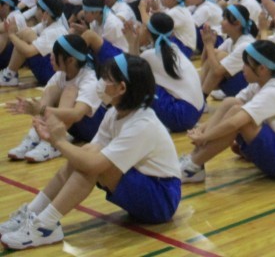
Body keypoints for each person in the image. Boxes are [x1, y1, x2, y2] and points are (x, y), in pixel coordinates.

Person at [0, 54, 182, 250]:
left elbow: (93, 165)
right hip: (143, 184)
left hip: (162, 198)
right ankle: (33, 213)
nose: (101, 82)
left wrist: (58, 141)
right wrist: (56, 138)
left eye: (107, 78)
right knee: (86, 154)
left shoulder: (143, 124)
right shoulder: (114, 113)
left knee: (92, 166)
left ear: (121, 88)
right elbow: (88, 153)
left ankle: (45, 226)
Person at [180, 40, 275, 183]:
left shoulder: (274, 91)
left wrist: (204, 137)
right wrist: (202, 129)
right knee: (231, 103)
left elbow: (233, 123)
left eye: (246, 64)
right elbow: (230, 106)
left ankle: (192, 167)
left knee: (239, 116)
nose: (242, 68)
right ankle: (194, 160)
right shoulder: (260, 83)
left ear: (262, 69)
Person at [6, 34, 106, 163]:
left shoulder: (89, 78)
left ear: (70, 60)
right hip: (76, 127)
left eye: (55, 54)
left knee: (70, 90)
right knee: (52, 90)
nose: (51, 57)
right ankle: (35, 136)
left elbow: (77, 114)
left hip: (93, 127)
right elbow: (45, 103)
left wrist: (41, 110)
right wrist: (35, 110)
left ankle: (53, 143)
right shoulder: (61, 74)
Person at [126, 13, 204, 132]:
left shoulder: (150, 55)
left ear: (147, 31)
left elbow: (131, 71)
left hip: (182, 115)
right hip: (196, 112)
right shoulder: (173, 48)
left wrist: (132, 42)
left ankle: (138, 122)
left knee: (140, 82)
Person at [0, 0, 67, 87]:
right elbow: (23, 34)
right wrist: (14, 34)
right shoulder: (45, 24)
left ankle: (9, 75)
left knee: (26, 36)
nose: (35, 11)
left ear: (45, 13)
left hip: (51, 73)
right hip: (49, 68)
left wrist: (11, 35)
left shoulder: (54, 31)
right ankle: (9, 73)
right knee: (25, 33)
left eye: (38, 9)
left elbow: (28, 51)